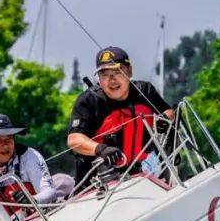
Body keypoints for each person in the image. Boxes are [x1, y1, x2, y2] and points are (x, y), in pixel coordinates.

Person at [66, 46, 174, 184]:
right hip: (98, 185)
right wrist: (100, 149)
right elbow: (74, 139)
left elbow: (168, 111)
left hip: (143, 176)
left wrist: (165, 119)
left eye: (117, 72)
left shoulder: (145, 91)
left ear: (129, 71)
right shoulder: (89, 101)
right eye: (104, 74)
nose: (112, 80)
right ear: (98, 78)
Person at [0, 113, 74, 216]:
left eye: (9, 138)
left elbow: (49, 191)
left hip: (40, 219)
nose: (5, 145)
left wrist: (33, 200)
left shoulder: (28, 155)